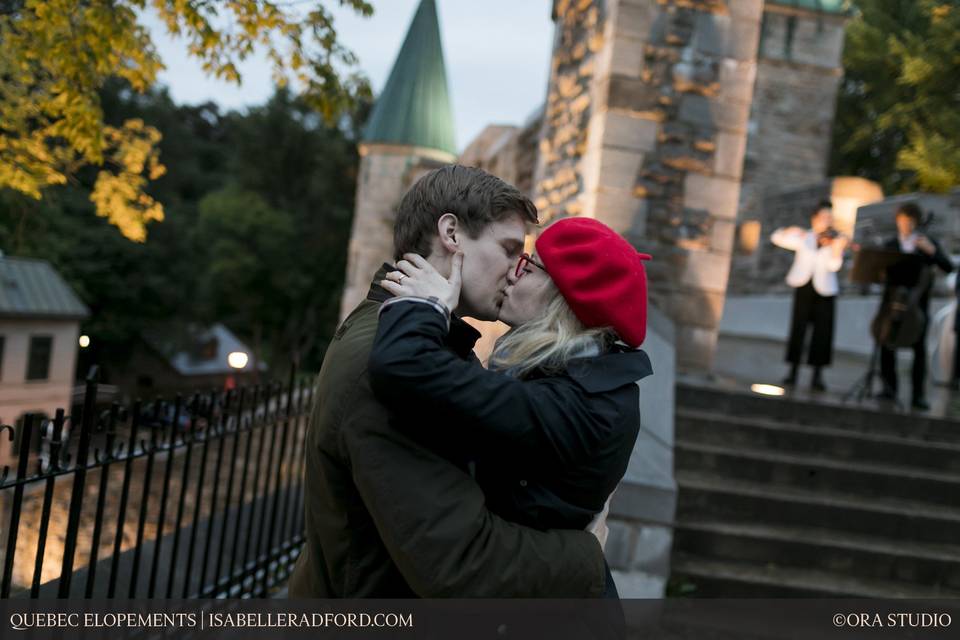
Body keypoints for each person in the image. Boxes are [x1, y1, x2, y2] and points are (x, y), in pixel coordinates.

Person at [287, 166, 608, 598]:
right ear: (452, 234)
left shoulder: (411, 343)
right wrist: (587, 553)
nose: (518, 272)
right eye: (509, 250)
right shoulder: (388, 367)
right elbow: (461, 566)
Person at [370, 216, 653, 599]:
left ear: (562, 298)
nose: (512, 275)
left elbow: (405, 367)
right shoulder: (578, 380)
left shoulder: (581, 407)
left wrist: (428, 306)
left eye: (527, 266)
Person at [877, 202, 953, 410]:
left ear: (916, 222)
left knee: (919, 350)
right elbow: (879, 272)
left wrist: (931, 252)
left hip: (917, 306)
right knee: (886, 344)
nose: (906, 226)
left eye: (910, 222)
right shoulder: (891, 244)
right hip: (890, 303)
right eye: (902, 221)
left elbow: (948, 267)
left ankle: (918, 395)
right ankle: (888, 388)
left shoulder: (926, 243)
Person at [771, 200, 848, 391]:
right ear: (815, 219)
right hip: (804, 287)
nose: (827, 221)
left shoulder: (835, 240)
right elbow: (776, 237)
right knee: (798, 329)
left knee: (822, 333)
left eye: (830, 217)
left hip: (825, 290)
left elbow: (834, 267)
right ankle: (793, 371)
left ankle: (817, 375)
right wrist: (792, 230)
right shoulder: (804, 237)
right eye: (824, 217)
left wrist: (837, 250)